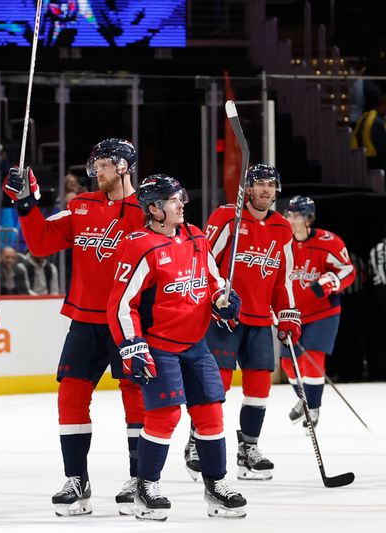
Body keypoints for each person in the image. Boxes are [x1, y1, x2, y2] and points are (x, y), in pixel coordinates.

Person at [2, 138, 146, 517]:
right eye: (94, 163)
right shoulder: (82, 206)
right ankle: (76, 480)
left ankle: (140, 478)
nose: (96, 170)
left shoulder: (147, 210)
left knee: (136, 396)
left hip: (129, 322)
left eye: (104, 163)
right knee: (70, 395)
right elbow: (40, 243)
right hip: (84, 319)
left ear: (124, 166)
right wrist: (26, 204)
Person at [107, 174, 247, 521]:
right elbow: (122, 304)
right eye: (172, 200)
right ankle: (146, 485)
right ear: (153, 209)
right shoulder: (139, 244)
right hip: (159, 348)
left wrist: (223, 299)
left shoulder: (196, 237)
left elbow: (213, 280)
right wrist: (133, 346)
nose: (181, 204)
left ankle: (216, 485)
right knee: (165, 416)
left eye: (180, 197)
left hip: (196, 345)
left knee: (211, 413)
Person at [188, 164, 300, 482]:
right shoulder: (227, 217)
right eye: (259, 184)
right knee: (215, 385)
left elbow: (283, 279)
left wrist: (288, 313)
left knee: (259, 388)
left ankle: (248, 449)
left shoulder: (281, 228)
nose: (265, 190)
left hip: (260, 320)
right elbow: (204, 261)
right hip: (224, 317)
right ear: (248, 189)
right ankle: (197, 440)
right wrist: (216, 298)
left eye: (271, 185)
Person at [281, 196, 355, 429]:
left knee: (313, 358)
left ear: (309, 218)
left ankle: (312, 408)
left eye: (297, 215)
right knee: (288, 364)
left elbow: (348, 270)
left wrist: (331, 280)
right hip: (293, 315)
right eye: (289, 215)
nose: (292, 220)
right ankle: (304, 400)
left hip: (324, 313)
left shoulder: (328, 242)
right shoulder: (282, 243)